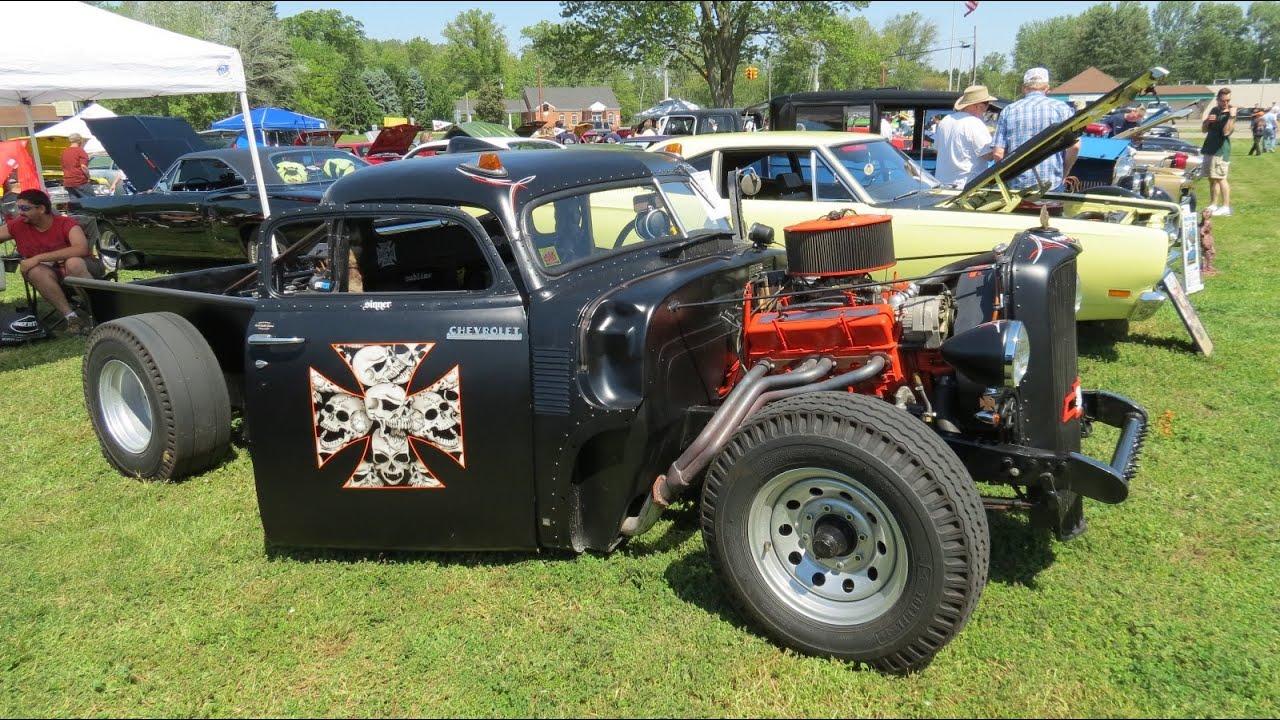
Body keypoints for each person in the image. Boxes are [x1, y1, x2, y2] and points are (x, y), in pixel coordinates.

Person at [0, 189, 105, 333]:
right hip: (50, 274)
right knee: (35, 271)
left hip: (84, 268)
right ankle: (72, 318)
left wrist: (38, 258)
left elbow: (80, 248)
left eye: (25, 208)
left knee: (73, 262)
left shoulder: (65, 223)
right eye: (19, 208)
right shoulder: (18, 225)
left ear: (41, 209)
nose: (20, 212)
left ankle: (102, 315)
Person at [991, 67, 1078, 191]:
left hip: (1016, 187)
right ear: (1047, 88)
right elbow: (1074, 147)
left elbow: (998, 153)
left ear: (1024, 88)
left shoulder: (1009, 110)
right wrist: (1065, 173)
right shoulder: (1062, 108)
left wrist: (1008, 177)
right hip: (1052, 184)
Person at [933, 85, 997, 188]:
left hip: (942, 184)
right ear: (978, 106)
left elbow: (937, 150)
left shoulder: (945, 121)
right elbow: (987, 155)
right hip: (967, 187)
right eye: (986, 105)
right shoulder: (975, 123)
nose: (986, 109)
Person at [1201, 88, 1236, 217]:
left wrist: (1231, 116)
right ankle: (1213, 204)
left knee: (1221, 178)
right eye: (1223, 100)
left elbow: (1226, 132)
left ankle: (1226, 207)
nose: (1225, 103)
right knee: (1212, 179)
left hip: (1220, 151)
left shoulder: (1230, 113)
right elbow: (1204, 130)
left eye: (1228, 100)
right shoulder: (1215, 110)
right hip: (1209, 148)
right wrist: (1207, 121)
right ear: (1217, 100)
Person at [60, 133, 91, 199]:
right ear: (80, 141)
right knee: (91, 202)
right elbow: (83, 167)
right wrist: (88, 177)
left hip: (68, 182)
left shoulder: (64, 152)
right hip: (80, 181)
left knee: (75, 205)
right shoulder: (80, 151)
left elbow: (63, 167)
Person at [1198, 207, 1217, 277]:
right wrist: (1204, 233)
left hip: (1207, 237)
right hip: (1207, 238)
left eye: (1208, 212)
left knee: (1208, 252)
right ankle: (1206, 267)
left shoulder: (1204, 222)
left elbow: (1201, 228)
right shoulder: (1207, 222)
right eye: (1205, 212)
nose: (1206, 214)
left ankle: (1206, 266)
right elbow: (1202, 231)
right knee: (1209, 253)